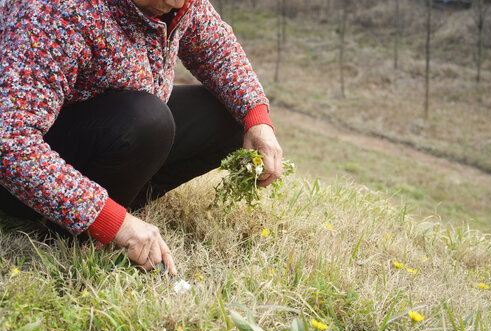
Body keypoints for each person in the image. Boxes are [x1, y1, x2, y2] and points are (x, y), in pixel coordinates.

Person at [0, 0, 283, 276]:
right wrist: (111, 221)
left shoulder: (179, 3)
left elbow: (216, 49)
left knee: (231, 116)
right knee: (148, 120)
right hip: (20, 174)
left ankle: (117, 205)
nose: (176, 4)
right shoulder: (54, 11)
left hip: (112, 126)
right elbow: (10, 143)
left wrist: (257, 120)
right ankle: (73, 221)